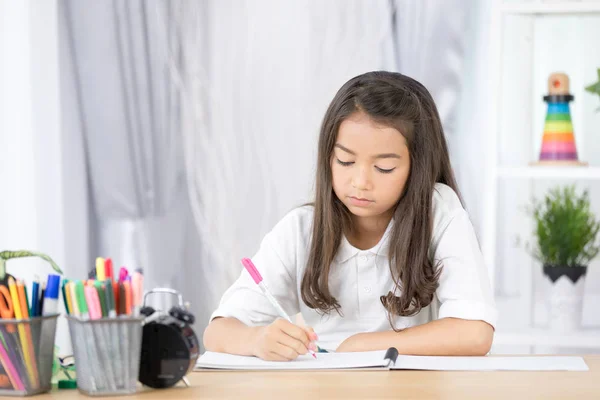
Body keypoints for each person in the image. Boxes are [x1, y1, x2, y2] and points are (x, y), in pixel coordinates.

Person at [203, 71, 497, 361]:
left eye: (383, 168)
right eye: (345, 161)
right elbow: (217, 333)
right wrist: (257, 340)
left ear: (417, 168)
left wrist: (359, 346)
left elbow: (474, 333)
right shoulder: (301, 229)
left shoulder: (437, 210)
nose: (360, 182)